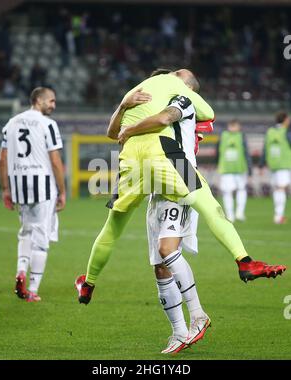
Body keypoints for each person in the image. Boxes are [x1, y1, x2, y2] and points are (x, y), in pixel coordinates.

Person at [75, 69, 286, 313]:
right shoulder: (182, 91)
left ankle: (88, 283)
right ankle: (244, 261)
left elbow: (112, 134)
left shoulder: (137, 90)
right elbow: (206, 113)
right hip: (164, 153)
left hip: (130, 160)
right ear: (187, 85)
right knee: (210, 205)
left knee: (112, 227)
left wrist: (123, 108)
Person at [104, 69, 212, 354]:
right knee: (160, 266)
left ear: (187, 86)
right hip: (157, 184)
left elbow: (163, 118)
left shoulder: (183, 103)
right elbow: (112, 132)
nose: (172, 76)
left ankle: (199, 314)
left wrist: (130, 129)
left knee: (167, 250)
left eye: (178, 75)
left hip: (181, 177)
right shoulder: (162, 103)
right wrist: (126, 105)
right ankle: (178, 332)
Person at [0, 87, 66, 302]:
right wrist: (62, 191)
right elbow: (55, 160)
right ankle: (33, 288)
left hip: (19, 185)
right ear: (38, 100)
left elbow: (2, 159)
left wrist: (6, 189)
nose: (53, 106)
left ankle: (20, 271)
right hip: (43, 185)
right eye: (51, 101)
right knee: (41, 237)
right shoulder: (48, 124)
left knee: (26, 232)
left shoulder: (11, 123)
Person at [216, 119, 252, 222]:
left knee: (241, 190)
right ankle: (230, 215)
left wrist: (249, 169)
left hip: (240, 169)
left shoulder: (242, 136)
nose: (233, 128)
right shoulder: (222, 136)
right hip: (226, 169)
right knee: (227, 192)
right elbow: (217, 151)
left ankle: (239, 213)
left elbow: (246, 153)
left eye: (235, 126)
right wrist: (217, 164)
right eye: (232, 126)